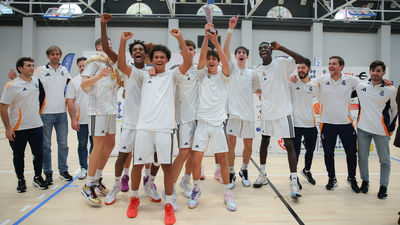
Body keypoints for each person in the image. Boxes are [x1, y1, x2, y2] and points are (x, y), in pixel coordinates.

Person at [118, 29, 192, 225]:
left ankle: (168, 204)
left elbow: (188, 62)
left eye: (162, 57)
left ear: (167, 60)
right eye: (156, 57)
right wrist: (123, 42)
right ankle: (134, 199)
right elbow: (121, 65)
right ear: (151, 59)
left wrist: (179, 38)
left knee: (166, 167)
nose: (159, 60)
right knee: (138, 165)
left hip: (165, 129)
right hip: (143, 127)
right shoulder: (142, 75)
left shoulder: (172, 76)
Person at [98, 14, 161, 206]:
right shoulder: (127, 69)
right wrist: (104, 25)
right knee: (123, 157)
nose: (138, 51)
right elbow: (108, 51)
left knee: (157, 156)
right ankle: (117, 185)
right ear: (132, 54)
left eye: (141, 49)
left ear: (146, 54)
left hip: (150, 123)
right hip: (131, 123)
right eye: (135, 50)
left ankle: (149, 182)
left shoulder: (155, 71)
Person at [189, 23, 237, 211]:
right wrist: (206, 37)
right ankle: (195, 189)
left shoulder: (224, 76)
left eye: (213, 59)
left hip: (218, 124)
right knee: (196, 159)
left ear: (217, 62)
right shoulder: (201, 75)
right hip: (201, 123)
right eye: (209, 58)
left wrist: (216, 42)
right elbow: (200, 59)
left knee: (223, 160)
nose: (210, 60)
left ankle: (227, 192)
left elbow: (225, 61)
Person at [253, 41, 305, 198]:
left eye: (265, 47)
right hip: (267, 113)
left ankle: (294, 181)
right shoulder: (257, 70)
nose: (263, 49)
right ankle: (262, 175)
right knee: (264, 141)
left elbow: (301, 59)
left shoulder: (282, 62)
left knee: (289, 144)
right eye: (260, 48)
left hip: (284, 112)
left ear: (270, 50)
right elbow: (257, 89)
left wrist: (281, 47)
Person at [304, 56, 360, 193]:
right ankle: (332, 178)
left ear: (341, 66)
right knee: (328, 154)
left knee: (351, 153)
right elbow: (307, 85)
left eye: (334, 63)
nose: (331, 66)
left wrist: (385, 82)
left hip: (346, 124)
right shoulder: (321, 80)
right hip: (327, 124)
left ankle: (352, 178)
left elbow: (367, 87)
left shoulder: (351, 80)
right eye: (329, 63)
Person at [80, 37, 122, 206]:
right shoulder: (94, 61)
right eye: (107, 45)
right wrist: (97, 77)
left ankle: (97, 178)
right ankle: (88, 185)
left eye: (111, 45)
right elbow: (84, 84)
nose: (109, 47)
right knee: (97, 146)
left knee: (110, 144)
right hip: (98, 110)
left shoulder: (113, 64)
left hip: (111, 110)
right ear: (98, 47)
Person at [0, 57, 48, 192]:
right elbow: (3, 107)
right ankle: (21, 180)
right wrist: (8, 128)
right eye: (28, 66)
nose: (32, 68)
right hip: (18, 128)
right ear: (20, 68)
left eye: (33, 65)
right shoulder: (11, 85)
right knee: (19, 155)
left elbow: (40, 101)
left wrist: (39, 120)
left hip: (36, 126)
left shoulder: (36, 82)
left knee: (39, 154)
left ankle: (38, 177)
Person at [223, 15, 259, 188]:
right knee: (231, 144)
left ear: (247, 56)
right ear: (236, 57)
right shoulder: (232, 68)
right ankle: (230, 172)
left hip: (249, 115)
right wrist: (231, 28)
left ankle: (244, 170)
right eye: (239, 53)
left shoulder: (252, 73)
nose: (241, 54)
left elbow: (257, 90)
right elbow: (225, 50)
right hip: (234, 113)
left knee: (248, 144)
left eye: (244, 53)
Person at [356, 60, 397, 199]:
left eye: (378, 71)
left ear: (384, 72)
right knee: (362, 157)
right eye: (373, 70)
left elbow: (394, 110)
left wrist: (391, 128)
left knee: (384, 160)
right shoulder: (361, 86)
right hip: (363, 129)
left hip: (381, 131)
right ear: (369, 71)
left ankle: (383, 186)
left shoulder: (390, 90)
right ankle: (365, 181)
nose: (375, 73)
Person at [33, 46, 72, 185]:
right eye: (52, 54)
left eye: (57, 54)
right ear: (48, 56)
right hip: (45, 114)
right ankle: (48, 172)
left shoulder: (64, 70)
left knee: (63, 144)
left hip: (62, 113)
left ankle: (63, 170)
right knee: (46, 145)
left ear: (60, 55)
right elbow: (30, 85)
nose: (55, 56)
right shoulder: (40, 71)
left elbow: (71, 87)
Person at [171, 39, 201, 199]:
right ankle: (171, 187)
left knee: (193, 154)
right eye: (185, 49)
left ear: (194, 53)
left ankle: (186, 180)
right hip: (183, 120)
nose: (189, 51)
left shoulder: (199, 69)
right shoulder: (176, 71)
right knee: (183, 153)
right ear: (181, 52)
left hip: (199, 119)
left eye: (191, 49)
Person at [289, 58, 319, 187]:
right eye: (299, 68)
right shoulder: (292, 82)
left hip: (310, 124)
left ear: (309, 69)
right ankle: (293, 176)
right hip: (296, 124)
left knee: (310, 150)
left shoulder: (315, 85)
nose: (300, 70)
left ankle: (306, 171)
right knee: (295, 152)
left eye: (303, 68)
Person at [66, 57, 92, 180]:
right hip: (81, 121)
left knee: (95, 145)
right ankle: (83, 168)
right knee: (82, 144)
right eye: (80, 66)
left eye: (84, 66)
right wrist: (73, 119)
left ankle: (93, 168)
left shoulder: (95, 79)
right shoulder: (73, 82)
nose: (82, 68)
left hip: (95, 119)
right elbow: (70, 101)